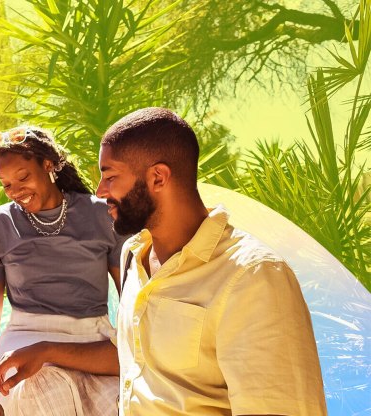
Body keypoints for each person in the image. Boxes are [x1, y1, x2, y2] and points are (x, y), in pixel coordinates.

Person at [97, 107, 327, 414]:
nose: (100, 192)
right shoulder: (132, 258)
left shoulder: (252, 276)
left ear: (157, 177)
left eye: (111, 177)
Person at [0, 126, 126, 415]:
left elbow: (128, 295)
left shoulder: (101, 215)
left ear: (48, 165)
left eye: (23, 177)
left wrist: (128, 345)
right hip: (26, 336)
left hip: (92, 338)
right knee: (42, 392)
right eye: (6, 185)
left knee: (121, 402)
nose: (16, 191)